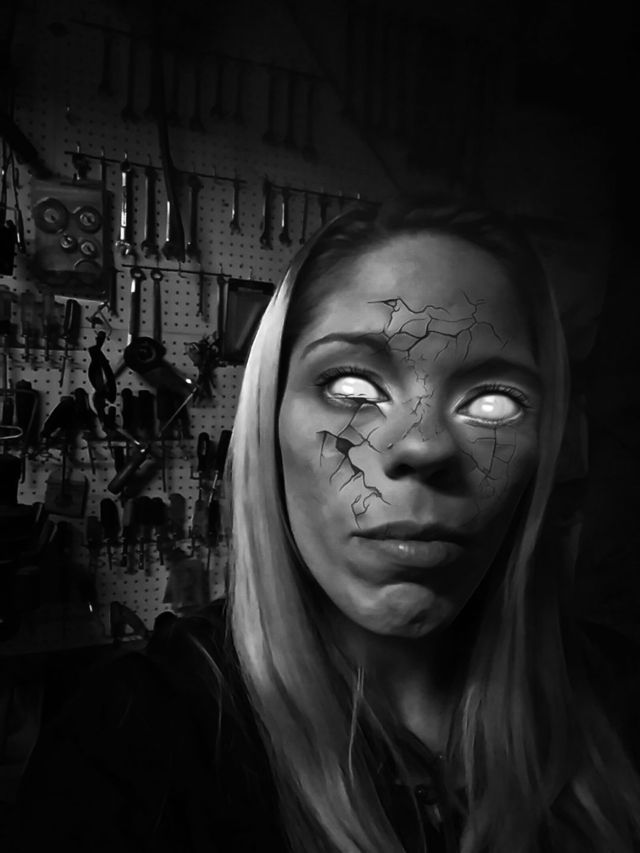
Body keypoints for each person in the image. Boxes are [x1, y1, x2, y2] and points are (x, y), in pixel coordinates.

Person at [11, 194, 640, 853]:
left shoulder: (616, 701)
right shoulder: (132, 744)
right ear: (269, 417)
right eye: (352, 388)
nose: (424, 447)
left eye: (492, 400)